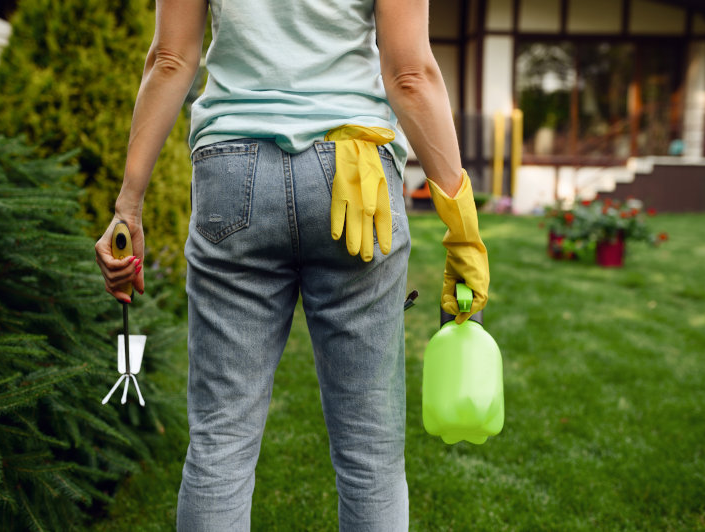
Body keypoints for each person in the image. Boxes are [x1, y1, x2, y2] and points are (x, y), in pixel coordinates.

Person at [94, 0, 489, 529]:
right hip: (355, 175)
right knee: (370, 451)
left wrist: (128, 205)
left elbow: (170, 58)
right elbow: (410, 74)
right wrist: (461, 226)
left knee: (221, 442)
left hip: (232, 169)